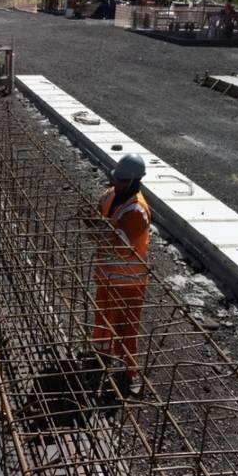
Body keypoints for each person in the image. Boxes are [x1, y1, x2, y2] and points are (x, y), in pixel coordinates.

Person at [92, 154, 151, 395]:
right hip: (106, 276)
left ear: (135, 181)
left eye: (123, 180)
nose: (117, 183)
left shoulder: (137, 211)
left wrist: (99, 234)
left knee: (127, 328)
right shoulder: (109, 195)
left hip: (129, 282)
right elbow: (95, 219)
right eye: (116, 178)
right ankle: (100, 358)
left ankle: (130, 372)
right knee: (102, 321)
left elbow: (121, 247)